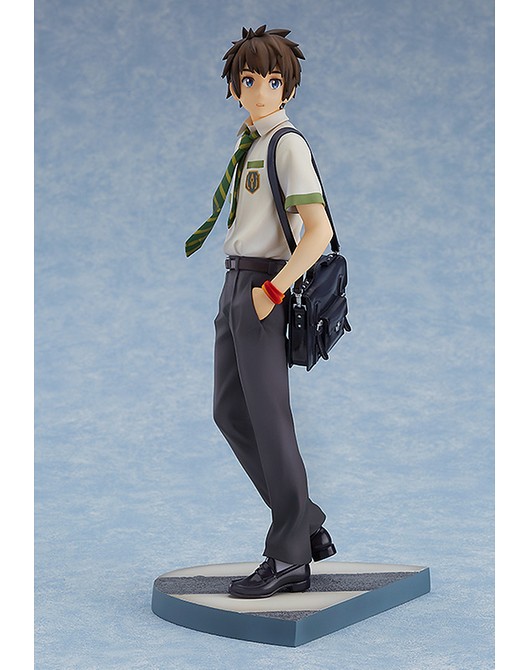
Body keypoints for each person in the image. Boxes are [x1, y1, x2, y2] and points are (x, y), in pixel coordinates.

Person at [185, 25, 337, 598]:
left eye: (272, 81)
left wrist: (273, 290)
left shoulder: (286, 144)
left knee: (270, 419)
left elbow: (318, 231)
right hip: (236, 283)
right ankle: (305, 518)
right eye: (248, 80)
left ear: (288, 88)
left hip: (263, 286)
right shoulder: (249, 142)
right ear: (234, 86)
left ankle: (290, 554)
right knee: (229, 411)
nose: (259, 91)